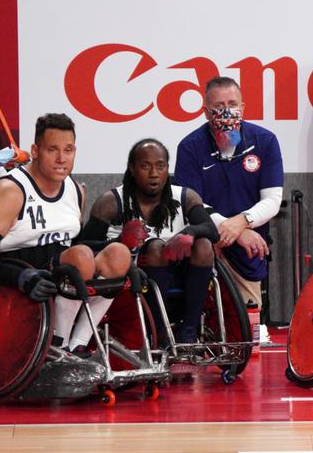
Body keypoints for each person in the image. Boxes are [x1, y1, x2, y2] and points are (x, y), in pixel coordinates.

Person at [0, 113, 131, 354]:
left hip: (61, 275)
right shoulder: (10, 190)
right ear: (35, 151)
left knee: (119, 253)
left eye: (68, 150)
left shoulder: (75, 190)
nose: (61, 159)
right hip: (20, 278)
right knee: (81, 258)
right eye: (52, 150)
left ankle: (77, 344)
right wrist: (19, 277)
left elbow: (77, 245)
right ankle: (58, 344)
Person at [78, 138, 219, 344]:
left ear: (167, 169)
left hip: (183, 272)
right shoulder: (112, 202)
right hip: (136, 277)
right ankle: (160, 333)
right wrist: (119, 240)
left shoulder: (185, 197)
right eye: (145, 166)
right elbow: (84, 246)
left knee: (204, 245)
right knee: (155, 247)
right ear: (132, 169)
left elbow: (212, 231)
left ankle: (189, 330)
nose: (154, 173)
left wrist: (188, 232)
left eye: (160, 166)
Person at [174, 76, 283, 311]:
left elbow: (273, 200)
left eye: (232, 105)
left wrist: (242, 223)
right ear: (206, 112)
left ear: (242, 108)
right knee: (204, 313)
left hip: (248, 245)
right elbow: (190, 204)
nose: (227, 113)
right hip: (205, 243)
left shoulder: (265, 142)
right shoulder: (190, 147)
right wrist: (231, 229)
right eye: (219, 107)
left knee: (245, 322)